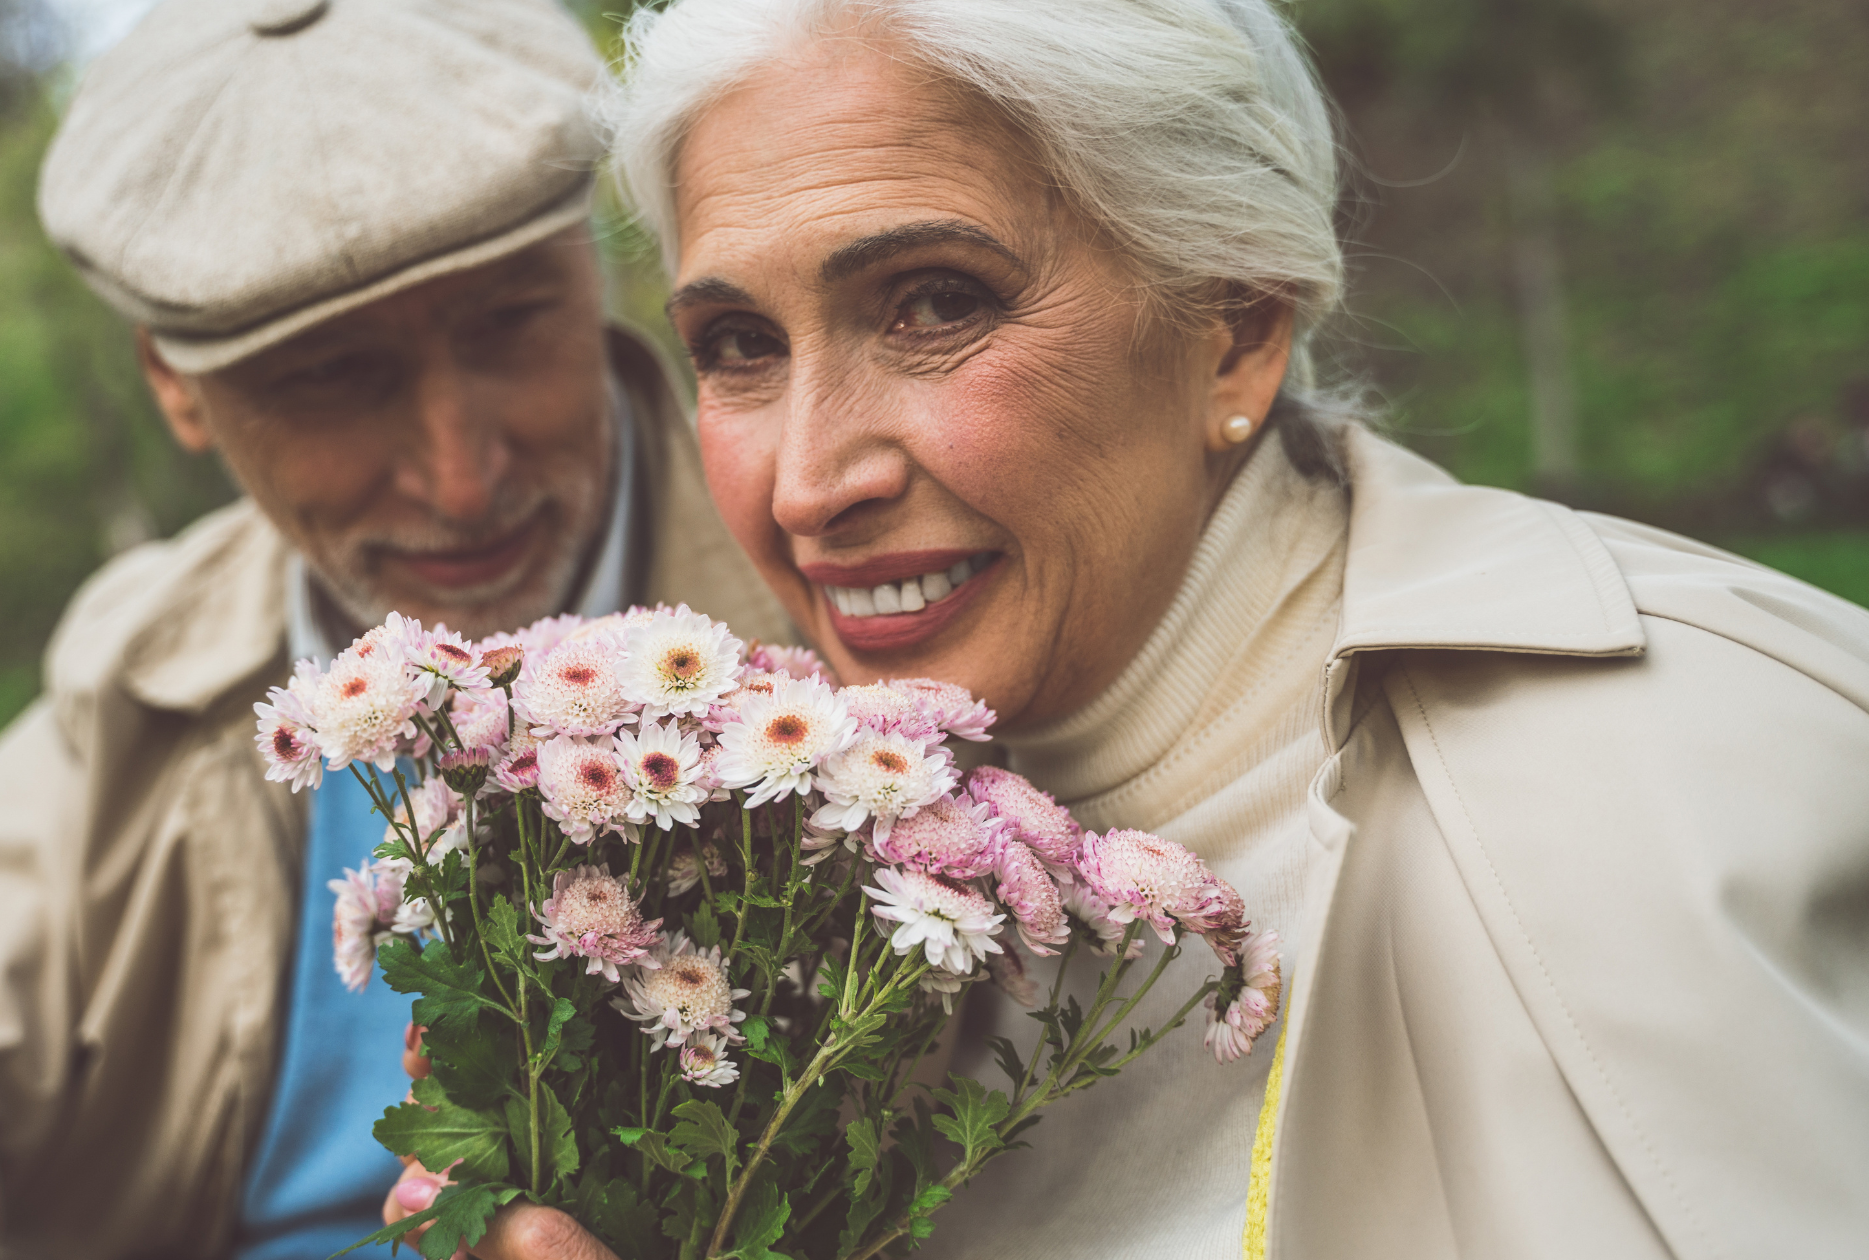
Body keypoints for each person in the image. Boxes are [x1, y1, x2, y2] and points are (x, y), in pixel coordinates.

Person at [382, 0, 1869, 1257]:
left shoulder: (1656, 786)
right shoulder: (743, 880)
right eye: (740, 347)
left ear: (1233, 322)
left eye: (931, 306)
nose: (808, 480)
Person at [0, 2, 790, 1258]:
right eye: (332, 379)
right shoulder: (157, 665)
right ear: (173, 388)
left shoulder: (839, 592)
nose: (460, 475)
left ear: (597, 268)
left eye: (507, 324)